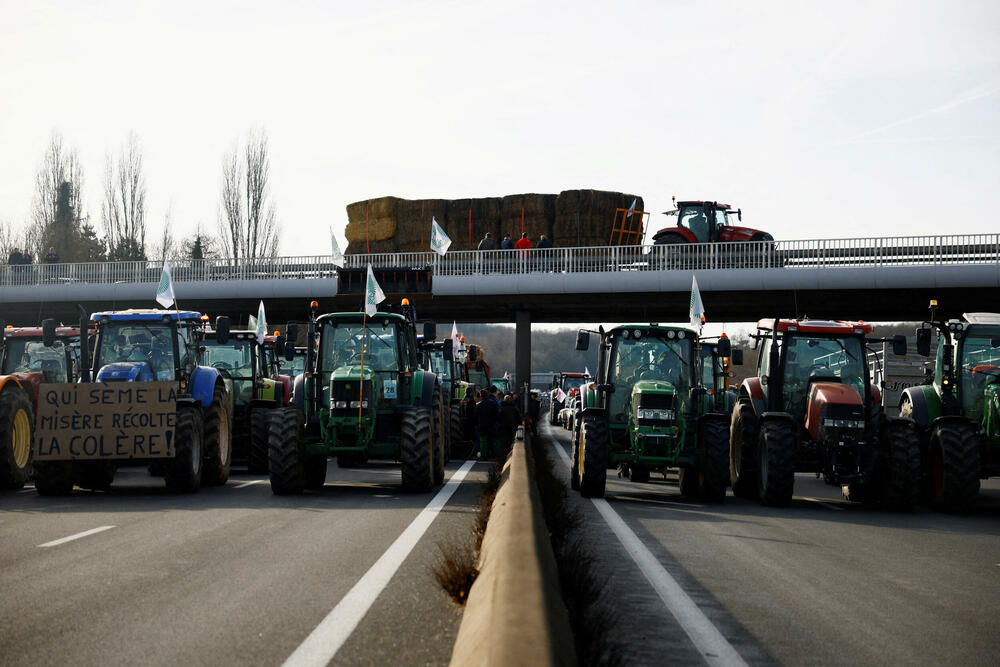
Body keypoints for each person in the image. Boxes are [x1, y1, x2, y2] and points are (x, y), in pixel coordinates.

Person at [475, 388, 499, 459]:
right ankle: (494, 455)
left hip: (482, 425)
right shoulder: (492, 403)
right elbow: (497, 414)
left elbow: (476, 415)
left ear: (481, 396)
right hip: (492, 424)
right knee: (493, 440)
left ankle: (484, 456)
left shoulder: (479, 405)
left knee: (483, 440)